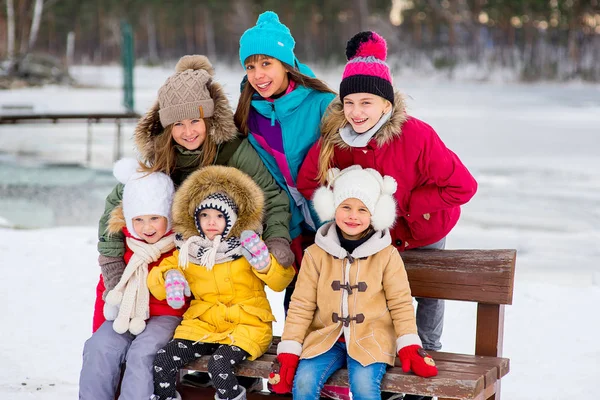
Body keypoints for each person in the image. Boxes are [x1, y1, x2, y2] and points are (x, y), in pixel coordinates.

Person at [296, 31, 478, 400]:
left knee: (424, 293)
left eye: (367, 102)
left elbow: (463, 187)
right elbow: (308, 182)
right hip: (373, 236)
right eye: (349, 102)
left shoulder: (417, 135)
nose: (357, 112)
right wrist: (340, 189)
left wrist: (403, 204)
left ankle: (426, 356)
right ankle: (376, 354)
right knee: (379, 292)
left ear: (386, 104)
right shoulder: (338, 138)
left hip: (423, 229)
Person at [93, 54, 294, 334]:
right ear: (167, 127)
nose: (187, 132)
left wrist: (277, 241)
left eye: (194, 121)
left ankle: (240, 367)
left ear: (209, 119)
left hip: (229, 254)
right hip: (184, 256)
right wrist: (112, 261)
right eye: (177, 124)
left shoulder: (232, 150)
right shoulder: (163, 156)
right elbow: (119, 202)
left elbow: (272, 197)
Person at [270, 166, 439, 400]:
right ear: (332, 208)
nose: (353, 216)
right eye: (346, 207)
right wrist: (289, 351)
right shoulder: (316, 254)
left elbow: (400, 303)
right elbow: (301, 305)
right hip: (325, 338)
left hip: (371, 339)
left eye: (362, 209)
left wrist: (409, 344)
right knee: (305, 383)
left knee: (364, 388)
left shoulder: (386, 255)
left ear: (374, 214)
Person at [147, 165, 296, 400]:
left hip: (247, 324)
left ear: (232, 219)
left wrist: (265, 264)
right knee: (164, 360)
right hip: (203, 324)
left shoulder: (246, 247)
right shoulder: (189, 250)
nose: (211, 222)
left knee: (219, 366)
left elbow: (281, 282)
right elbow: (158, 275)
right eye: (204, 215)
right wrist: (169, 277)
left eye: (219, 215)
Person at [234, 11, 336, 305]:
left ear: (287, 64)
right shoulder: (249, 112)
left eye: (267, 63)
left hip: (330, 217)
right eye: (250, 66)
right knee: (297, 305)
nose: (258, 75)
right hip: (289, 222)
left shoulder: (323, 104)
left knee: (335, 302)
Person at [80, 158, 184, 400]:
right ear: (128, 219)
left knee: (143, 354)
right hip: (127, 314)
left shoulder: (180, 244)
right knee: (99, 347)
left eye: (155, 218)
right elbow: (107, 287)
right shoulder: (127, 242)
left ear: (168, 215)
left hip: (167, 315)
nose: (146, 227)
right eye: (139, 219)